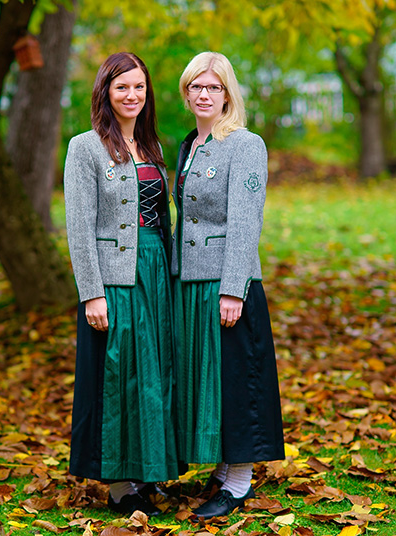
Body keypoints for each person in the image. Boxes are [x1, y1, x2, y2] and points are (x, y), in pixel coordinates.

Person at [64, 52, 178, 517]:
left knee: (152, 373)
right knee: (117, 376)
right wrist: (92, 291)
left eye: (139, 88)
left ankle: (148, 472)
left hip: (154, 270)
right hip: (113, 279)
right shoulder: (85, 147)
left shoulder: (152, 147)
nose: (131, 96)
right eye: (122, 87)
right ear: (105, 93)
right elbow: (79, 225)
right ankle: (117, 483)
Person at [172, 51, 285, 518]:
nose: (204, 94)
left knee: (237, 378)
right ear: (186, 91)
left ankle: (239, 479)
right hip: (188, 281)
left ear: (227, 94)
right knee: (206, 379)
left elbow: (245, 221)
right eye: (196, 86)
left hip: (226, 281)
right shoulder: (187, 144)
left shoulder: (246, 144)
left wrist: (233, 288)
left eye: (213, 87)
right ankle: (221, 466)